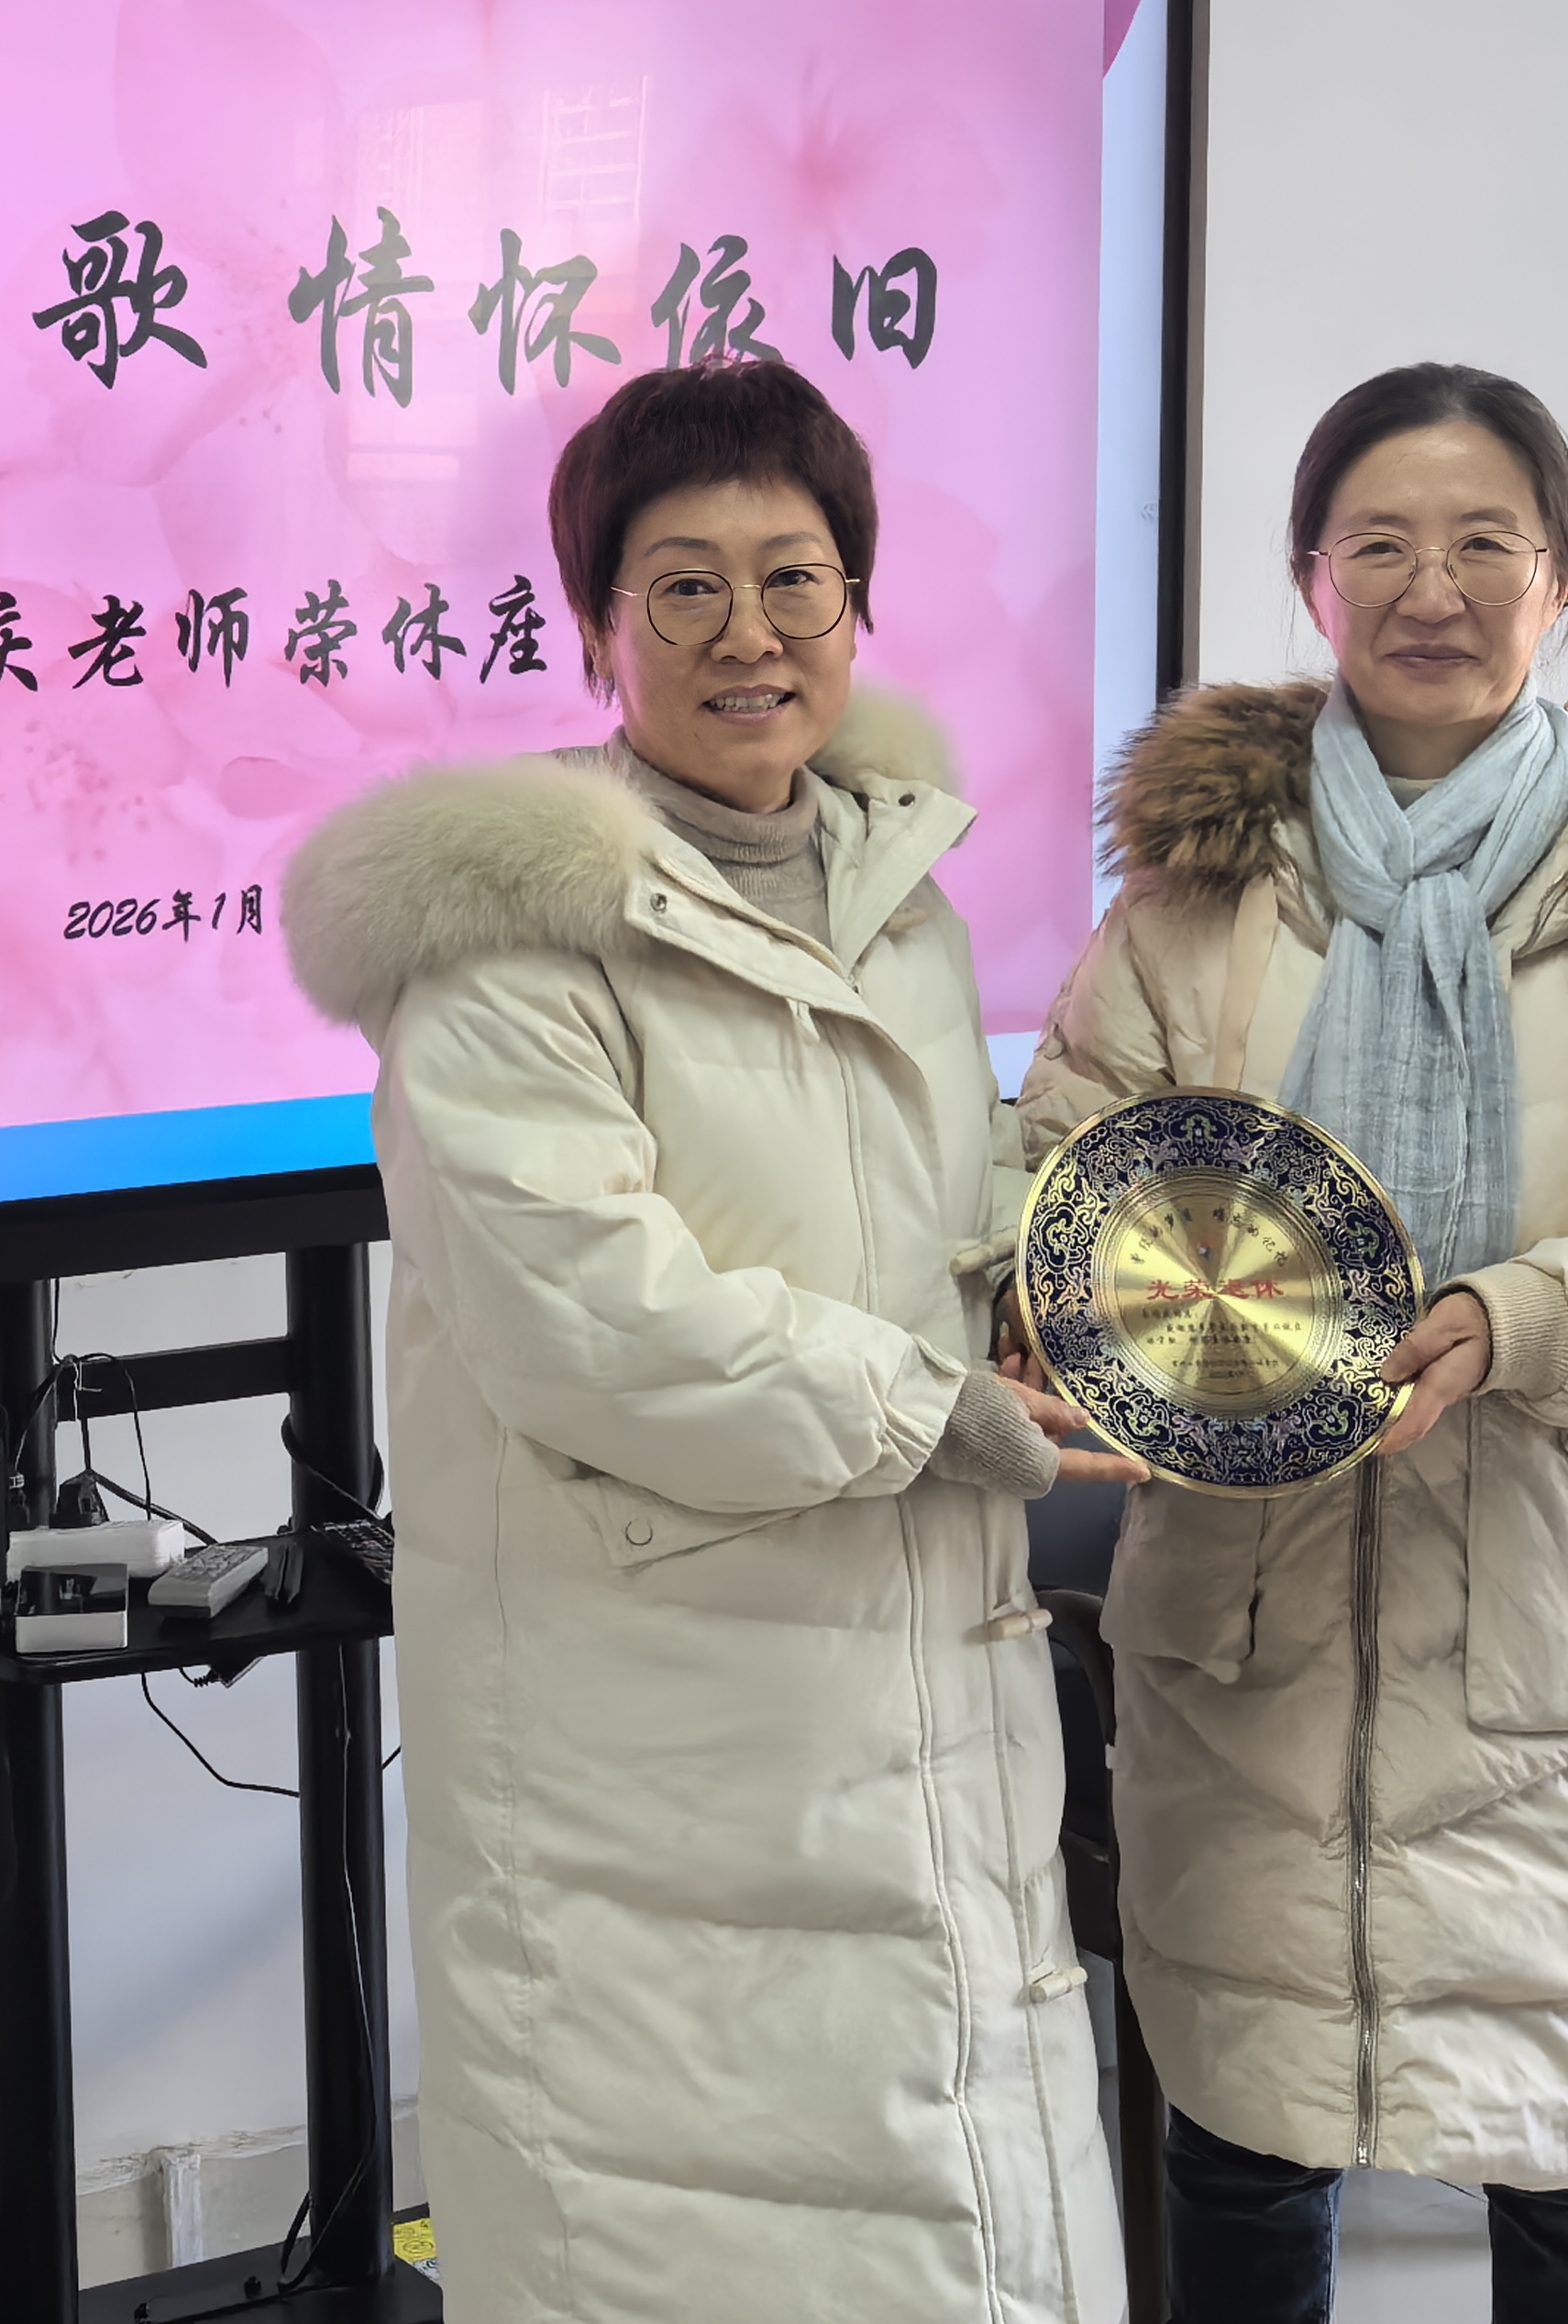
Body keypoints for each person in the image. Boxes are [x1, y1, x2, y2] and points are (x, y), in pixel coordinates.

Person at [1011, 362, 1568, 2324]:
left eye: (1484, 541)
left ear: (1561, 577)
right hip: (1248, 1637)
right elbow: (1061, 1174)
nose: (1431, 589)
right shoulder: (1200, 894)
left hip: (1566, 1643)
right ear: (1308, 577)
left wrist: (1524, 1316)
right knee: (1239, 2146)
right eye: (1379, 544)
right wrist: (1080, 1306)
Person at [282, 360, 1135, 2324]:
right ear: (595, 625)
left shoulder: (896, 897)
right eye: (682, 586)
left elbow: (925, 1223)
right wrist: (935, 1409)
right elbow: (589, 1318)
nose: (748, 633)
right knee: (681, 2220)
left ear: (857, 604)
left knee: (945, 2204)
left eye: (795, 578)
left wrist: (1060, 1288)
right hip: (658, 1731)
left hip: (912, 1663)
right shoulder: (507, 940)